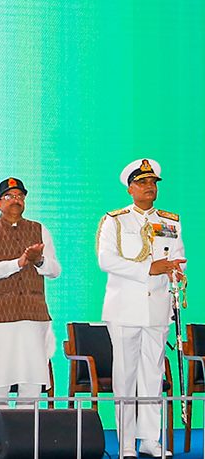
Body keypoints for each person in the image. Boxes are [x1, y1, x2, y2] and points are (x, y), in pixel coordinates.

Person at [97, 158, 183, 459]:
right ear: (130, 188)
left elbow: (178, 258)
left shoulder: (171, 222)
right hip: (124, 308)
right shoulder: (115, 220)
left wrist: (176, 271)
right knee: (126, 376)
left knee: (152, 374)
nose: (150, 187)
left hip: (157, 308)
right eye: (143, 183)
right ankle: (125, 444)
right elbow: (106, 261)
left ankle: (149, 440)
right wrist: (151, 268)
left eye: (153, 183)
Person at [0, 177, 61, 404]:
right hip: (0, 318)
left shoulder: (39, 229)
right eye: (10, 197)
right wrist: (18, 263)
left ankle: (27, 438)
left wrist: (39, 260)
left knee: (31, 383)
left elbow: (55, 270)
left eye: (20, 197)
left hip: (33, 316)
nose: (16, 201)